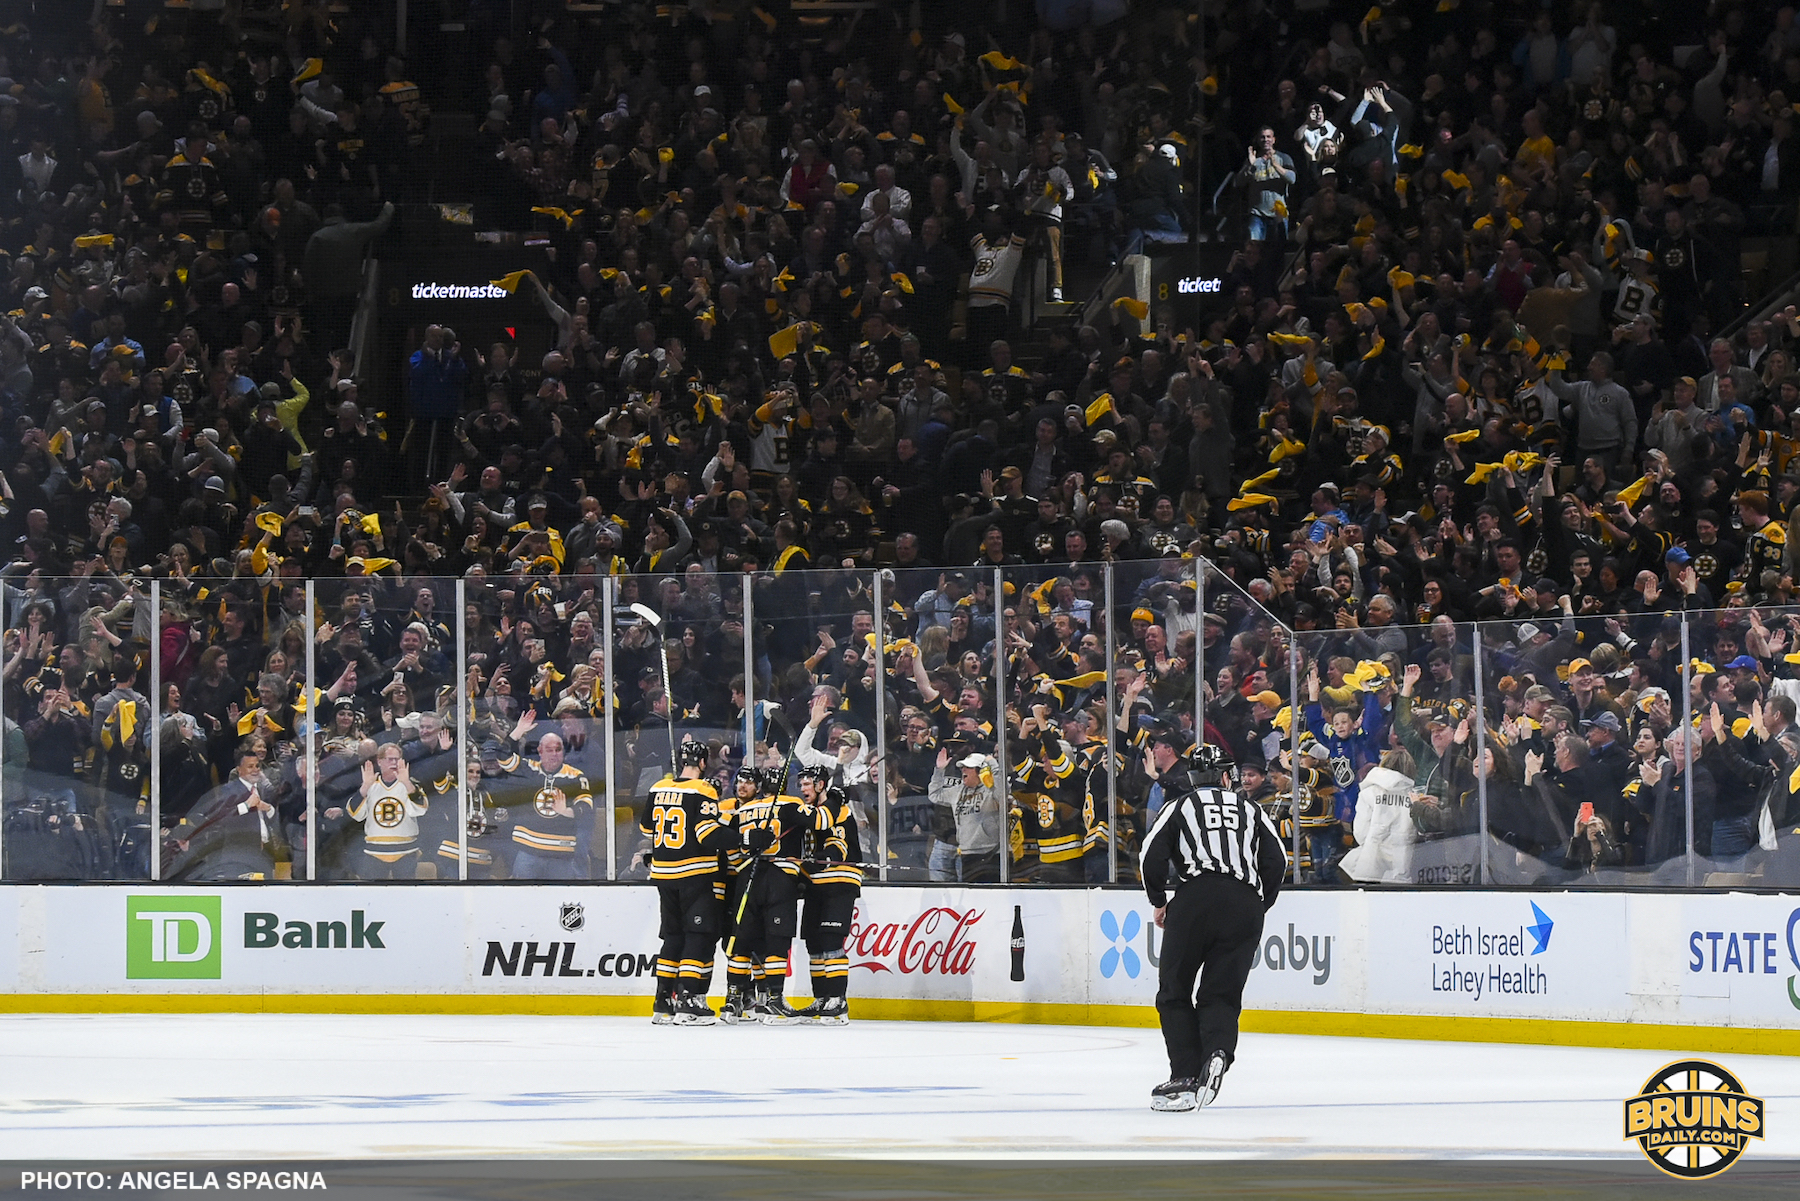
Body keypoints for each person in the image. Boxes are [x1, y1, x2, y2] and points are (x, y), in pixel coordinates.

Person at [1139, 740, 1286, 1112]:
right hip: (1244, 904)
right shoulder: (1250, 808)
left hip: (1195, 898)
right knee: (1221, 994)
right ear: (1224, 776)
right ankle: (1218, 1051)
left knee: (1174, 990)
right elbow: (1277, 859)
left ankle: (1185, 1077)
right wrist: (1258, 903)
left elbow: (1150, 856)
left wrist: (1159, 901)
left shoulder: (1180, 806)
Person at [641, 740, 729, 1026]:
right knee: (698, 936)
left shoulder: (658, 787)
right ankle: (690, 1000)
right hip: (694, 874)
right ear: (703, 763)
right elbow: (708, 834)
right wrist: (745, 839)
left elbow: (646, 827)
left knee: (673, 937)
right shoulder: (703, 789)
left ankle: (663, 1001)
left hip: (663, 875)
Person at [798, 781, 864, 1024]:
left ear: (820, 785)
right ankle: (822, 998)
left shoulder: (840, 811)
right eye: (800, 783)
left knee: (830, 940)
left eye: (807, 784)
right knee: (813, 944)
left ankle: (838, 1000)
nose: (802, 788)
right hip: (815, 883)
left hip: (839, 882)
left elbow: (839, 846)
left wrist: (823, 858)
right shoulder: (810, 814)